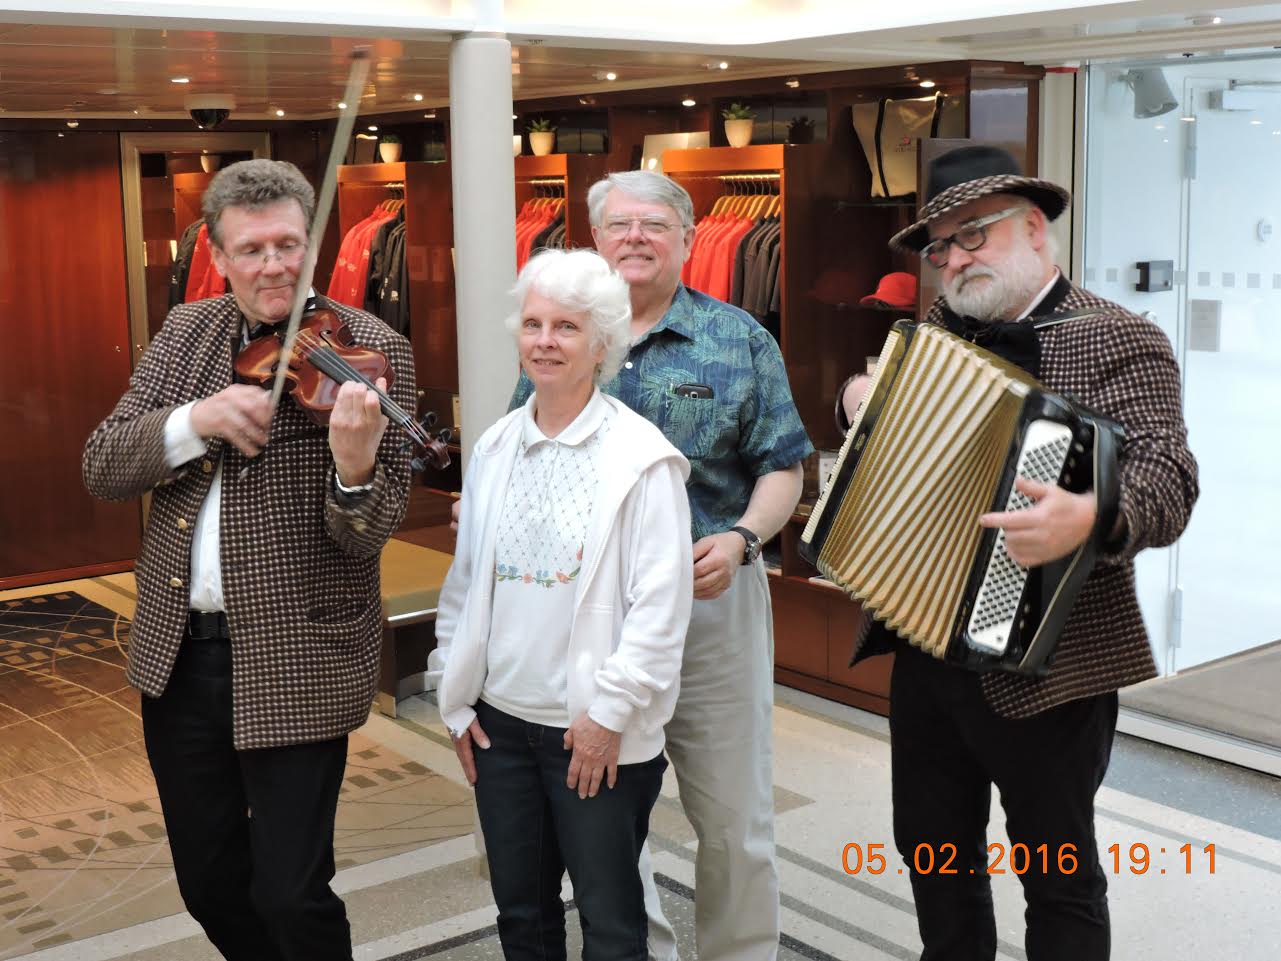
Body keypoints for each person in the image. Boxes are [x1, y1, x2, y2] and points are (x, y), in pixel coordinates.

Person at [838, 145, 1199, 961]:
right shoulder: (933, 330)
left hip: (1053, 661)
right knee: (933, 854)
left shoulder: (1118, 337)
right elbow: (888, 433)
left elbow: (1168, 480)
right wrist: (853, 398)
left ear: (1034, 228)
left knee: (1056, 872)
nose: (954, 259)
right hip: (926, 642)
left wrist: (1090, 514)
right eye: (939, 246)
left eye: (973, 234)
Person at [82, 159, 415, 961]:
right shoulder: (185, 334)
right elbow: (102, 464)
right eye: (252, 249)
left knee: (291, 889)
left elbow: (365, 535)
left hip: (299, 653)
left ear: (314, 244)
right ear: (220, 256)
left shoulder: (369, 351)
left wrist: (354, 466)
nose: (273, 265)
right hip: (179, 653)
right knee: (207, 877)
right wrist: (195, 419)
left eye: (288, 245)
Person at [503, 170, 813, 961]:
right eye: (618, 225)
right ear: (596, 240)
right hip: (593, 617)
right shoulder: (561, 336)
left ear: (686, 238)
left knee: (734, 815)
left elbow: (784, 465)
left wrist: (744, 535)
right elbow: (523, 460)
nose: (634, 237)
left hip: (712, 604)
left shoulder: (738, 337)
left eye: (653, 224)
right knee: (605, 809)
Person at [431, 248, 693, 960]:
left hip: (593, 737)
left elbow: (661, 610)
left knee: (611, 926)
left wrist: (608, 716)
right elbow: (464, 586)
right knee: (521, 917)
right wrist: (453, 697)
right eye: (533, 323)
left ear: (601, 342)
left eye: (566, 327)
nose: (544, 340)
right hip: (500, 729)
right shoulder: (493, 448)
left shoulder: (642, 458)